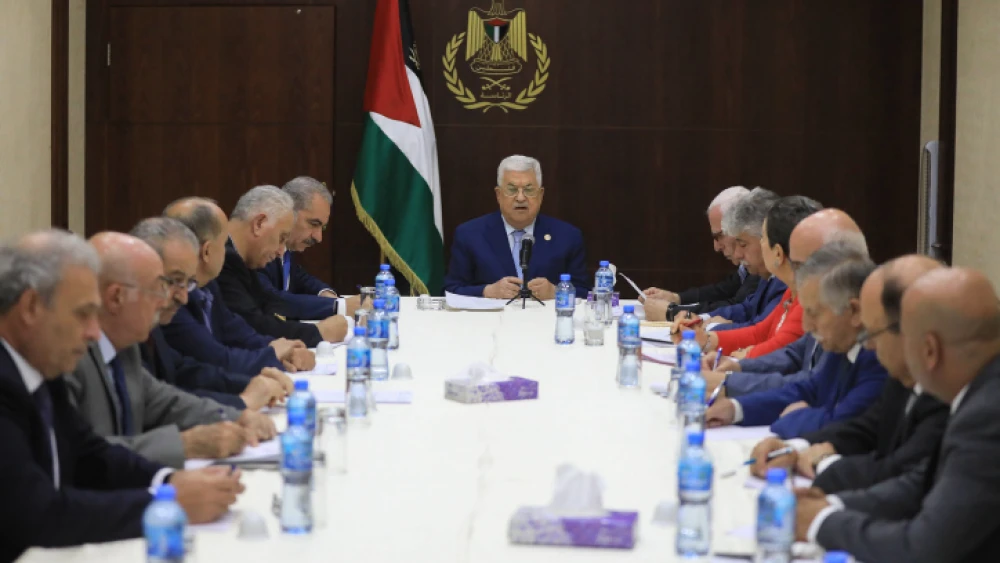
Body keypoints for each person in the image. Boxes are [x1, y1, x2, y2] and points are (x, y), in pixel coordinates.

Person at [0, 231, 242, 560]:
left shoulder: (40, 365)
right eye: (83, 314)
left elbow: (89, 454)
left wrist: (170, 479)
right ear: (30, 307)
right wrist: (166, 502)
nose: (94, 331)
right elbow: (37, 514)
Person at [799, 268, 1000, 562]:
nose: (869, 346)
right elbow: (922, 484)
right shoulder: (979, 392)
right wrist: (830, 506)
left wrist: (819, 524)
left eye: (902, 337)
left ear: (929, 350)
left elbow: (924, 547)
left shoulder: (986, 415)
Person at [66, 232, 276, 469]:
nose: (165, 301)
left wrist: (237, 415)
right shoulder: (69, 357)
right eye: (158, 290)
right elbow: (81, 458)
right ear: (116, 297)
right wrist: (185, 444)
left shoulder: (124, 347)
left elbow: (165, 401)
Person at [748, 255, 948, 492]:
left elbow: (900, 475)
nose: (870, 345)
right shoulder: (905, 377)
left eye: (874, 332)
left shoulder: (950, 395)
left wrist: (823, 462)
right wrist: (795, 448)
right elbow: (864, 429)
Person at [705, 242, 886, 438]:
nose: (807, 326)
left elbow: (840, 425)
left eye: (814, 313)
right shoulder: (843, 343)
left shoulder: (877, 358)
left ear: (854, 312)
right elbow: (807, 389)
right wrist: (735, 409)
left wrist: (794, 418)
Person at [130, 217, 293, 410]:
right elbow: (154, 406)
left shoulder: (148, 325)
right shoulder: (109, 343)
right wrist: (242, 402)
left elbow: (183, 372)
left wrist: (250, 384)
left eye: (187, 283)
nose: (183, 298)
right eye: (174, 281)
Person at [162, 197, 316, 374]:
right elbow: (218, 359)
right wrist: (272, 356)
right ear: (207, 251)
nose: (226, 249)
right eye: (222, 243)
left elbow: (234, 330)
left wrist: (275, 347)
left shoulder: (208, 285)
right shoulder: (172, 300)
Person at [683, 195, 819, 359]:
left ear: (777, 253)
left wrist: (743, 362)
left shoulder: (807, 299)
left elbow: (781, 352)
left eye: (763, 238)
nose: (738, 253)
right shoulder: (791, 291)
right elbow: (759, 333)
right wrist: (704, 339)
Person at [219, 185, 351, 346]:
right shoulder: (221, 260)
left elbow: (266, 310)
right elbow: (254, 326)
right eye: (282, 238)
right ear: (259, 224)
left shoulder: (244, 260)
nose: (281, 252)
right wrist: (319, 332)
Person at [443, 155, 588, 299]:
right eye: (512, 190)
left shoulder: (568, 237)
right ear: (498, 195)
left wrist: (557, 292)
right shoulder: (470, 235)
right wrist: (487, 291)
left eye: (529, 190)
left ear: (541, 195)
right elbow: (450, 290)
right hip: (491, 321)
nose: (520, 198)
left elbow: (586, 293)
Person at [647, 188, 785, 325]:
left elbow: (759, 332)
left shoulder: (782, 281)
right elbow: (743, 308)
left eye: (742, 244)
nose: (737, 254)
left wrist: (680, 316)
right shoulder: (768, 275)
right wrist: (681, 304)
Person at [259, 176, 358, 320]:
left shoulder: (287, 247)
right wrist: (339, 307)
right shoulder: (260, 248)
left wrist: (325, 293)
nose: (319, 237)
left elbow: (298, 277)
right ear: (288, 212)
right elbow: (272, 299)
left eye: (322, 227)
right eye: (313, 224)